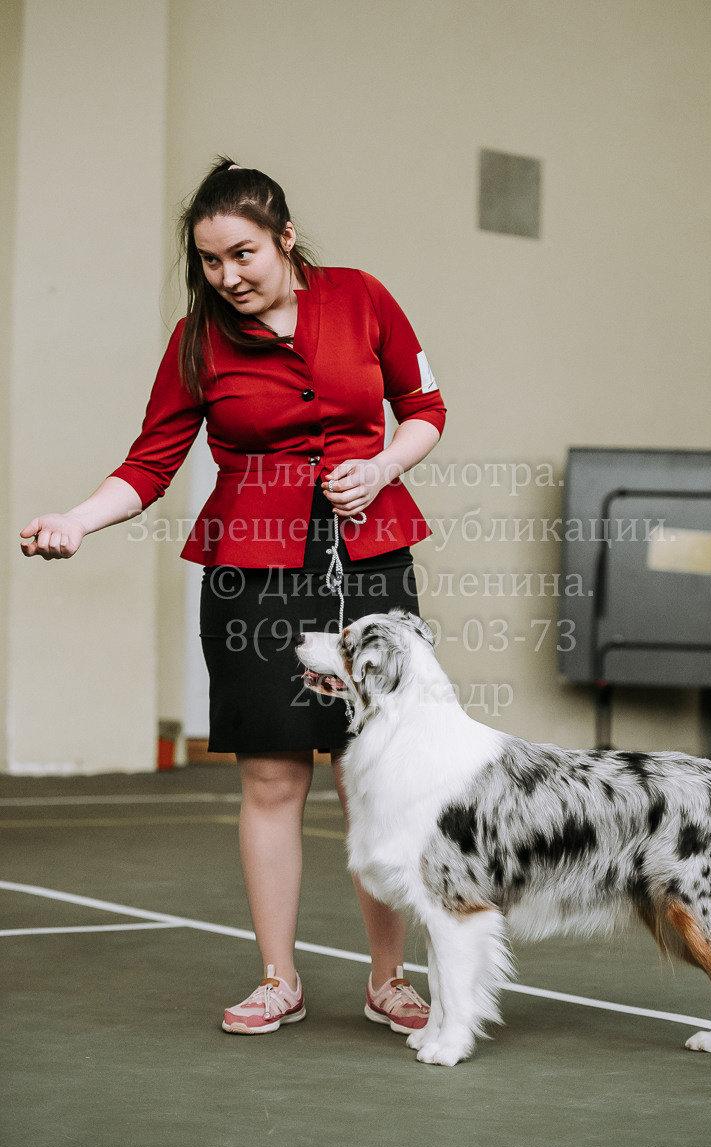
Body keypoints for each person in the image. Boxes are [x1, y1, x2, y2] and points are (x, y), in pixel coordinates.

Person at [20, 158, 446, 1037]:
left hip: (372, 557)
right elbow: (149, 464)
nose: (228, 277)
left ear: (285, 238)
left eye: (242, 254)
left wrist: (381, 465)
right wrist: (75, 517)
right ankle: (277, 979)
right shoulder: (197, 340)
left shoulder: (364, 297)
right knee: (270, 773)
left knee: (374, 780)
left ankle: (389, 981)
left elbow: (426, 406)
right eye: (210, 262)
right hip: (252, 570)